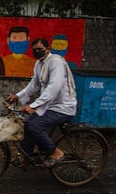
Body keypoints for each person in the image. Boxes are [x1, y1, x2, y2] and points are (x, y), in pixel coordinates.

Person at [7, 38, 77, 168]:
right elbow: (34, 85)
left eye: (40, 49)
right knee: (28, 125)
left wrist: (33, 106)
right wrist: (18, 96)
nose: (37, 52)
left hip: (63, 107)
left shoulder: (56, 62)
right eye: (34, 50)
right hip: (48, 106)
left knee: (34, 126)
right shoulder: (39, 64)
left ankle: (56, 153)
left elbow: (53, 88)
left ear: (48, 49)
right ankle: (26, 157)